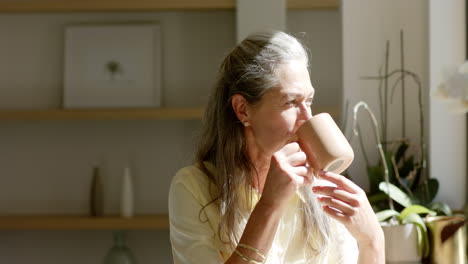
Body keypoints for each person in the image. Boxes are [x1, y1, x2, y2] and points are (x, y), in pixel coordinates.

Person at [168, 31, 384, 264]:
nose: (307, 117)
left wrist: (372, 240)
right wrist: (270, 205)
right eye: (291, 102)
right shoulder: (193, 187)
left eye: (309, 101)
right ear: (243, 110)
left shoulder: (319, 186)